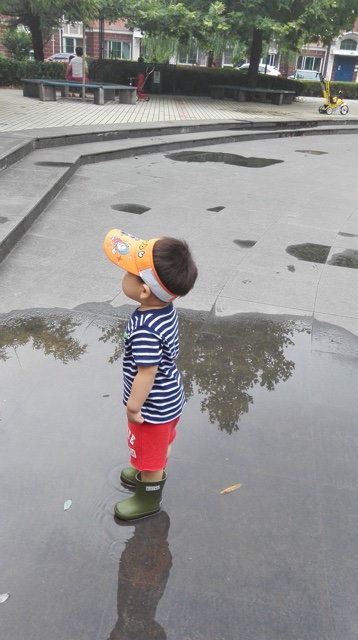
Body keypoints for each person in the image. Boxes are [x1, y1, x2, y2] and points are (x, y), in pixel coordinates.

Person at [103, 229, 198, 520]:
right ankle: (147, 469)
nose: (124, 275)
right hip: (170, 398)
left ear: (144, 291)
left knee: (152, 451)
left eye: (129, 272)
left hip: (153, 407)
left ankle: (148, 498)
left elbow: (147, 372)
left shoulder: (145, 326)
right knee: (158, 445)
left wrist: (133, 406)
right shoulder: (164, 308)